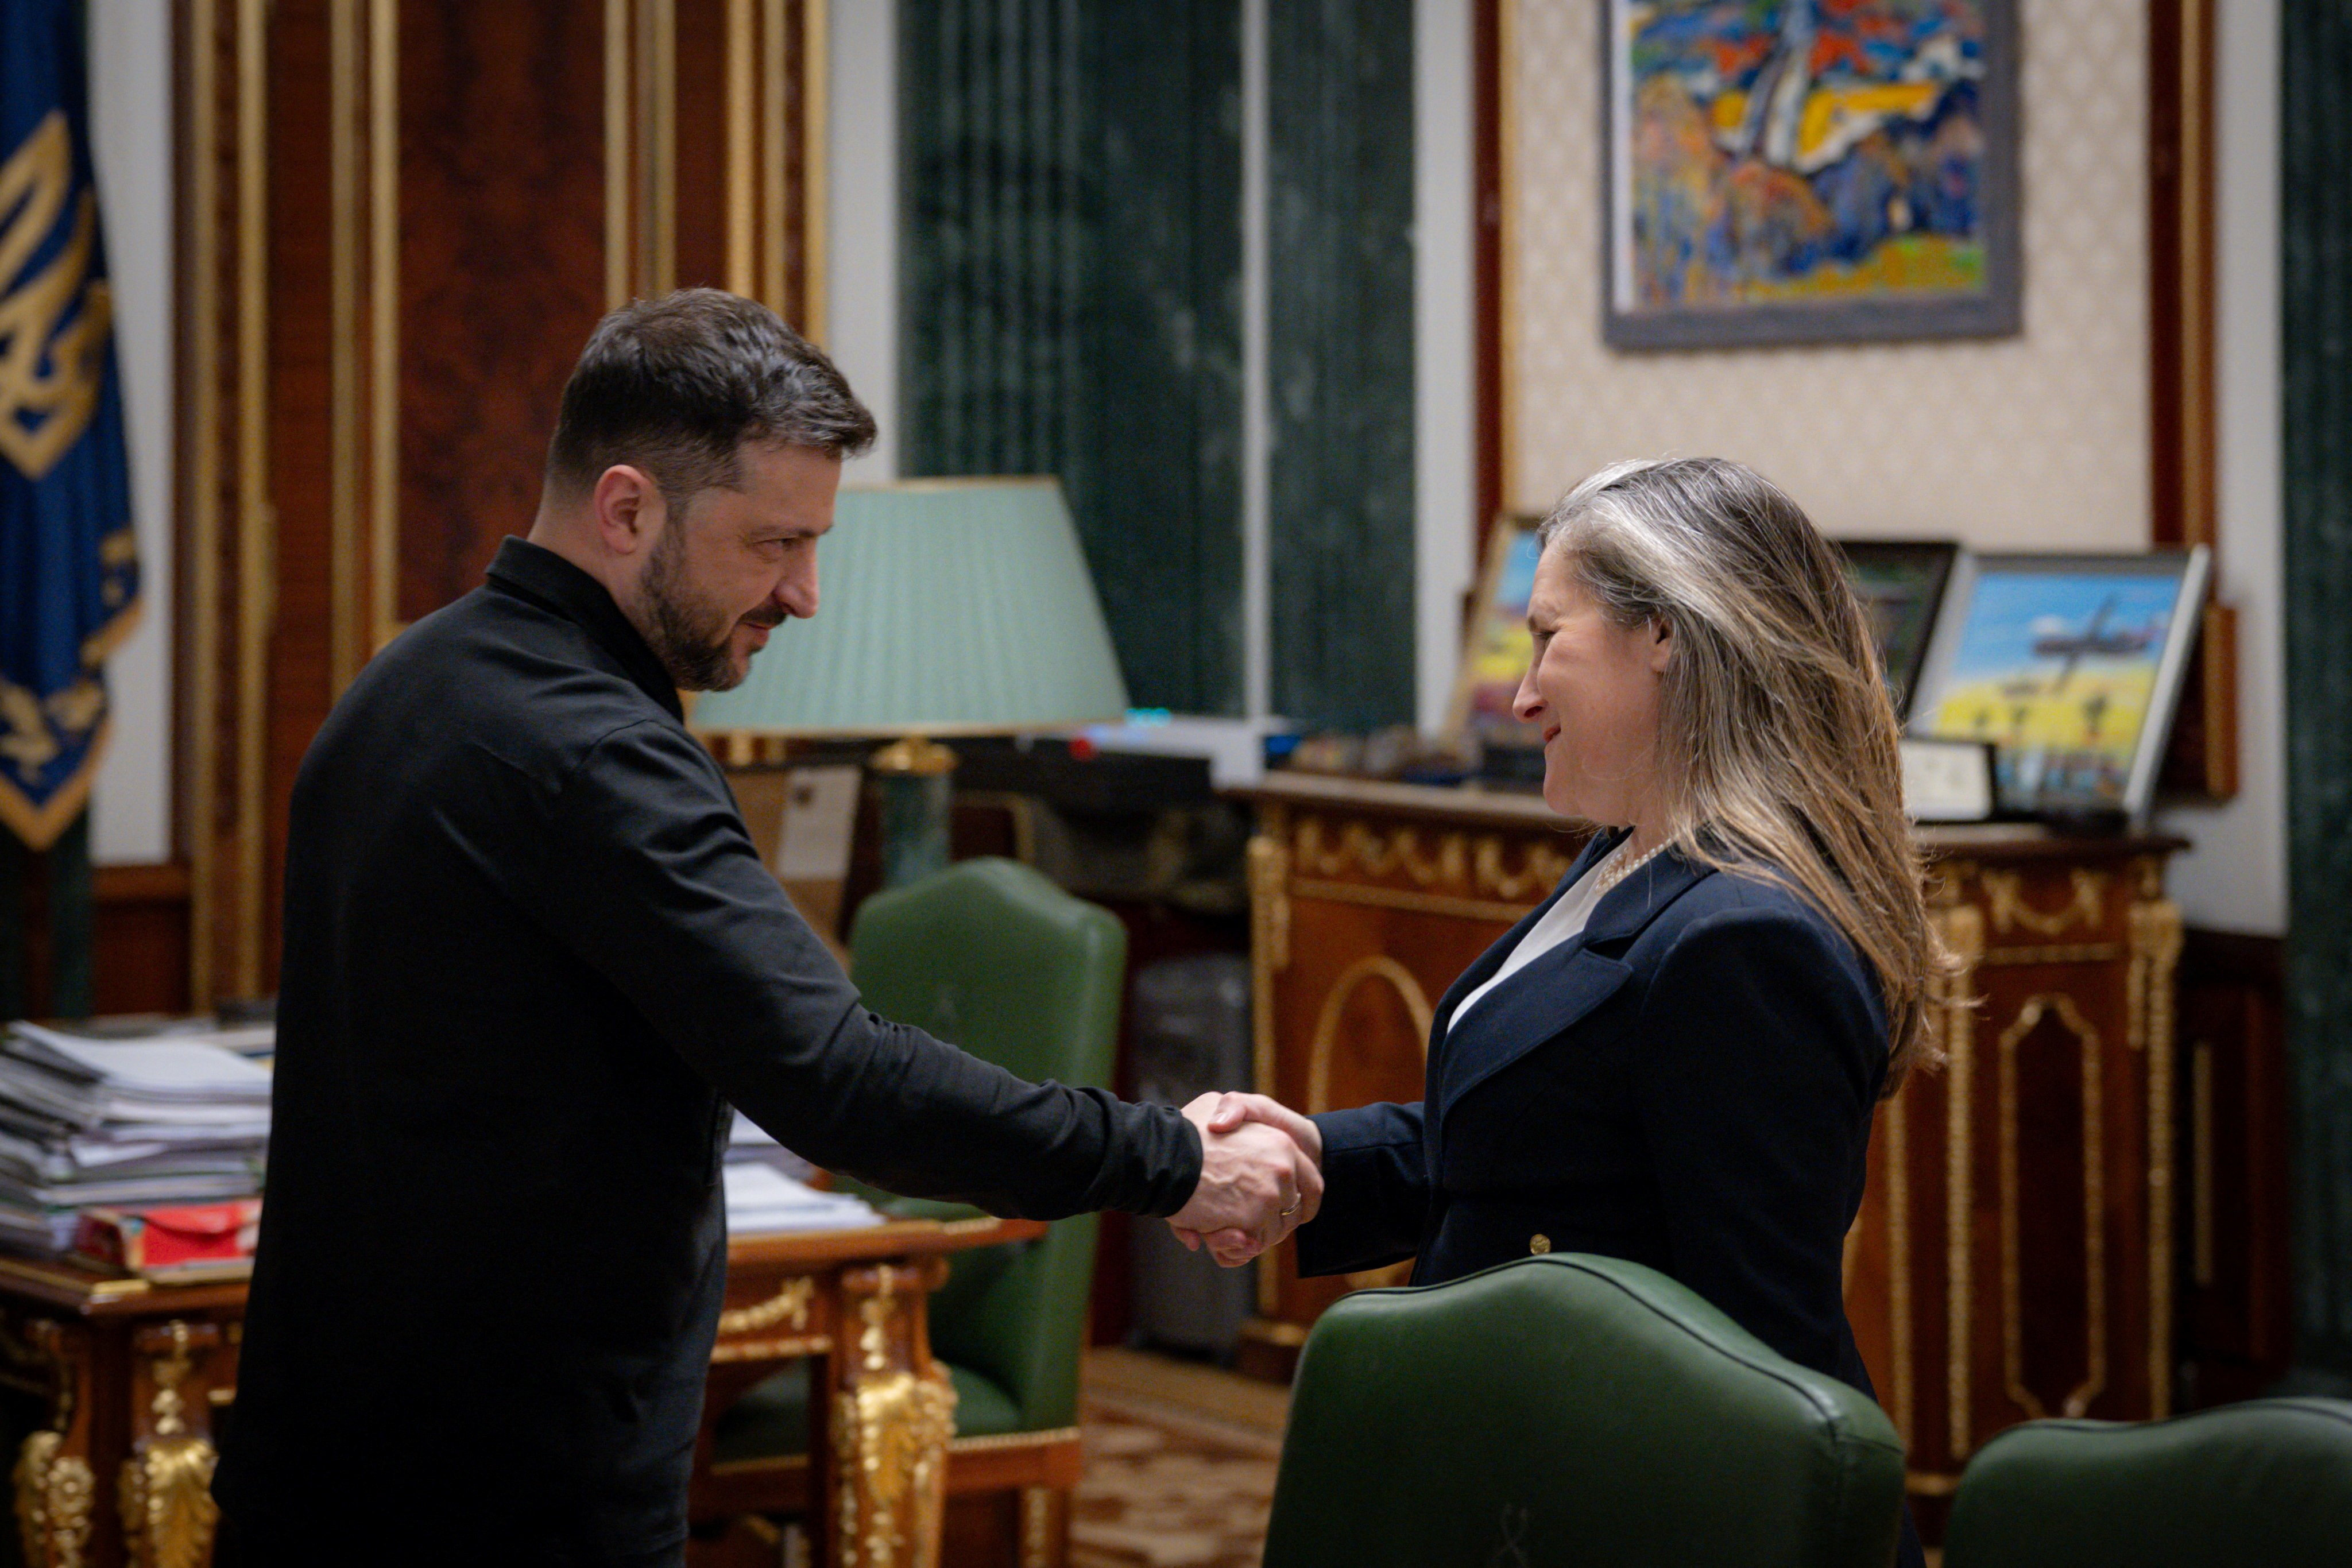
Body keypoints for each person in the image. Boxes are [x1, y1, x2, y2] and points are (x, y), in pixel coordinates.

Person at [212, 289, 1318, 1566]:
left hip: (326, 1472)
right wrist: (1167, 1158)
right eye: (772, 544)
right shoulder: (597, 753)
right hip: (512, 1498)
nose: (803, 594)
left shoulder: (402, 682)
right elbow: (839, 1080)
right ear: (627, 509)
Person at [1189, 457, 1947, 1568]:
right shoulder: (1637, 856)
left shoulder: (1745, 938)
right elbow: (1546, 1149)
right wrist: (1319, 1156)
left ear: (1669, 639)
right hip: (1533, 1475)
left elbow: (1754, 1352)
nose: (1523, 689)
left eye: (1550, 638)